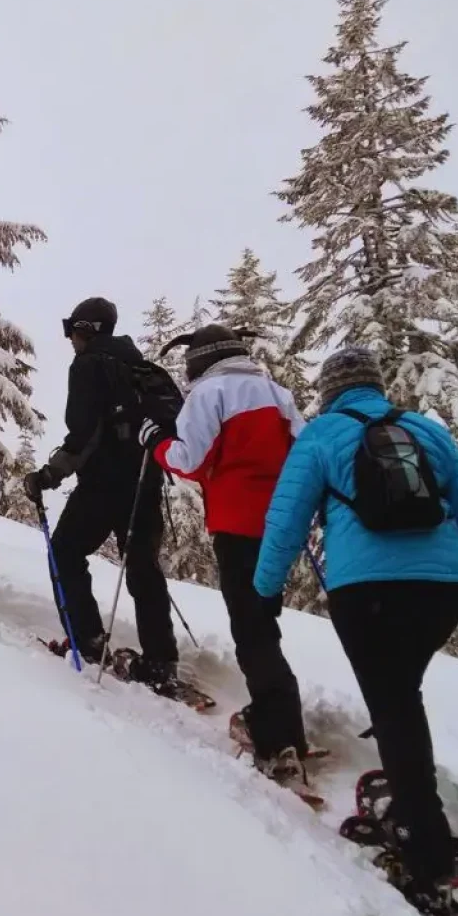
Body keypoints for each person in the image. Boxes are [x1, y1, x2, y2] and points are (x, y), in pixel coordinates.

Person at [253, 346, 458, 916]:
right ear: (376, 383)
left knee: (394, 705)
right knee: (402, 696)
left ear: (330, 391)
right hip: (443, 588)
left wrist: (264, 590)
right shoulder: (426, 430)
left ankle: (428, 856)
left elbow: (286, 518)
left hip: (367, 589)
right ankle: (418, 812)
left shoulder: (321, 436)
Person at [138, 324, 311, 782]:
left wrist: (156, 445)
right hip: (282, 523)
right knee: (263, 621)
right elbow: (304, 453)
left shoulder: (209, 393)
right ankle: (282, 719)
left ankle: (277, 734)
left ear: (201, 360)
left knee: (251, 628)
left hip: (237, 523)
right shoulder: (277, 393)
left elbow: (189, 459)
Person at [23, 297, 179, 691]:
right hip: (145, 482)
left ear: (88, 329)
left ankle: (87, 638)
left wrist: (49, 475)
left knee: (65, 552)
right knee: (143, 569)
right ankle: (161, 660)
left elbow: (85, 434)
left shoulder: (90, 364)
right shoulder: (139, 367)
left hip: (102, 484)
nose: (71, 338)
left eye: (73, 329)